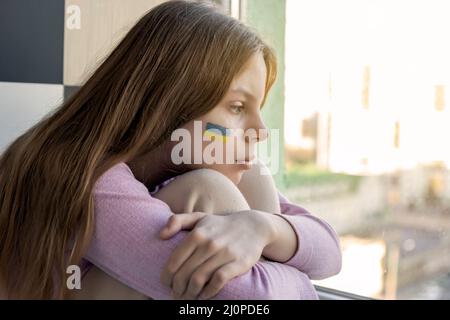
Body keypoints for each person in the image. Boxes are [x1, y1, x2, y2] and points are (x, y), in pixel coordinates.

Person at [0, 0, 341, 300]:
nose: (261, 131)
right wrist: (296, 277)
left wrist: (264, 228)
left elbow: (329, 251)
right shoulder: (92, 178)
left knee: (253, 175)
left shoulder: (177, 164)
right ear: (171, 103)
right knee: (211, 191)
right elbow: (248, 297)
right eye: (237, 108)